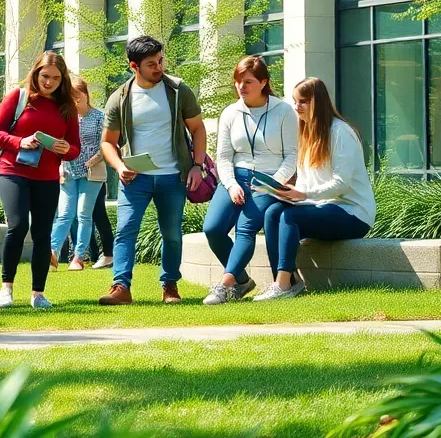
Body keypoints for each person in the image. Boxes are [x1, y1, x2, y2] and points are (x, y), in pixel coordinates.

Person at [97, 35, 207, 305]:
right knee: (125, 230)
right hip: (136, 178)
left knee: (171, 233)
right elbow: (108, 143)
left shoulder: (179, 90)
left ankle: (170, 285)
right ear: (133, 66)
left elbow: (197, 128)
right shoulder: (120, 98)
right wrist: (120, 166)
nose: (159, 67)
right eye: (151, 64)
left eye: (160, 60)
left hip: (173, 176)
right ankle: (121, 287)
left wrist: (197, 165)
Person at [256, 77, 376, 301]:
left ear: (317, 103)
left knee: (291, 217)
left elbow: (341, 183)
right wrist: (289, 191)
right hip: (321, 207)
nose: (297, 107)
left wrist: (304, 195)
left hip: (352, 213)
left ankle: (282, 285)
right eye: (295, 101)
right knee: (273, 213)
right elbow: (306, 182)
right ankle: (287, 281)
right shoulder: (306, 134)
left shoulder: (341, 133)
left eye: (303, 102)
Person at [201, 56, 299, 305]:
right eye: (237, 82)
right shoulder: (231, 112)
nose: (240, 87)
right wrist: (232, 184)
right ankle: (243, 280)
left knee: (245, 227)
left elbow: (291, 155)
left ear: (264, 82)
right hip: (235, 176)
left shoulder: (284, 111)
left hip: (269, 179)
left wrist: (273, 183)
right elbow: (223, 157)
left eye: (247, 81)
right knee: (212, 229)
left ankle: (225, 285)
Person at [0, 51, 80, 308]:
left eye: (55, 78)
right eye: (44, 76)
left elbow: (75, 148)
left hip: (47, 177)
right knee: (17, 226)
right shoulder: (18, 97)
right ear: (35, 74)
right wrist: (20, 142)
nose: (49, 82)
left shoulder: (67, 108)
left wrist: (65, 149)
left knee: (43, 234)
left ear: (63, 81)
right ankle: (6, 288)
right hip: (13, 171)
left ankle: (38, 294)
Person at [49, 77, 106, 272]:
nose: (74, 99)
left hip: (91, 172)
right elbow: (57, 144)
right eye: (70, 96)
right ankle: (51, 253)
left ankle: (79, 257)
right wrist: (59, 166)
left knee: (83, 213)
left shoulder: (99, 117)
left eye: (77, 95)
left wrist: (95, 159)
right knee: (65, 214)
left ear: (85, 94)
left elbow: (106, 144)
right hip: (68, 170)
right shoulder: (65, 117)